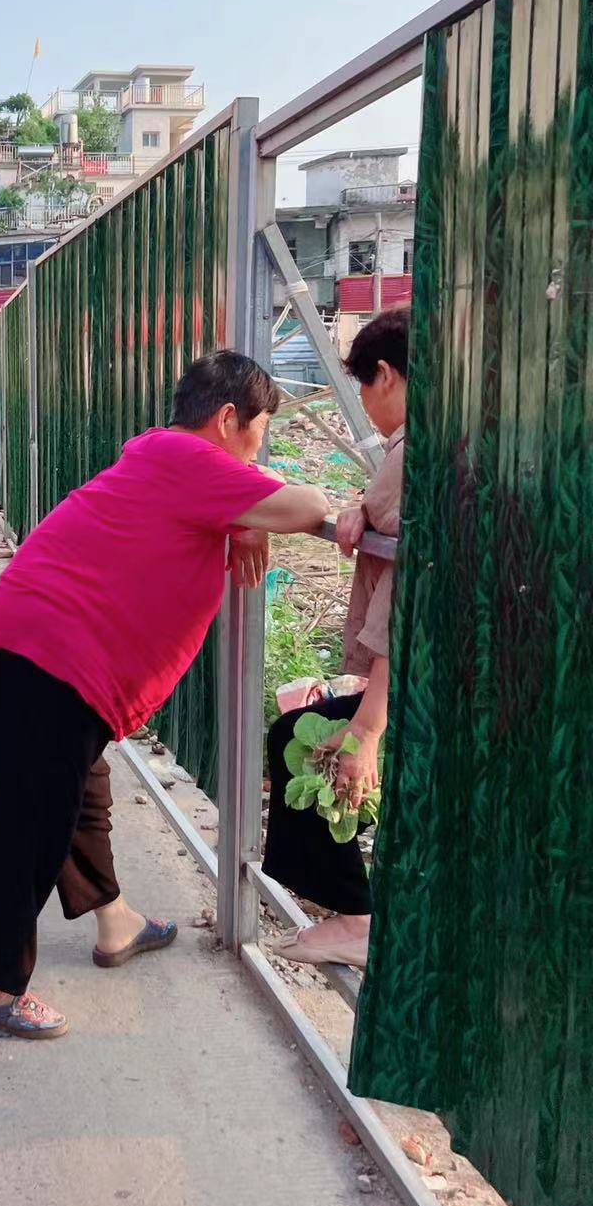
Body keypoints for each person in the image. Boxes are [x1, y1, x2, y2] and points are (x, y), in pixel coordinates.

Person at [0, 351, 331, 1039]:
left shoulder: (167, 459)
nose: (259, 452)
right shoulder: (194, 463)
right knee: (29, 826)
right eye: (259, 433)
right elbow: (312, 506)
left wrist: (244, 516)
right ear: (227, 420)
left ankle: (116, 923)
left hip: (38, 649)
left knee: (80, 794)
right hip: (52, 660)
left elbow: (253, 508)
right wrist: (254, 508)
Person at [264, 308, 408, 970]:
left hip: (412, 673)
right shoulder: (420, 446)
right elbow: (375, 514)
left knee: (305, 742)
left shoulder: (415, 450)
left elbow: (406, 602)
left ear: (384, 374)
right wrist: (359, 508)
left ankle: (355, 917)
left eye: (361, 389)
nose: (365, 406)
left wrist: (368, 728)